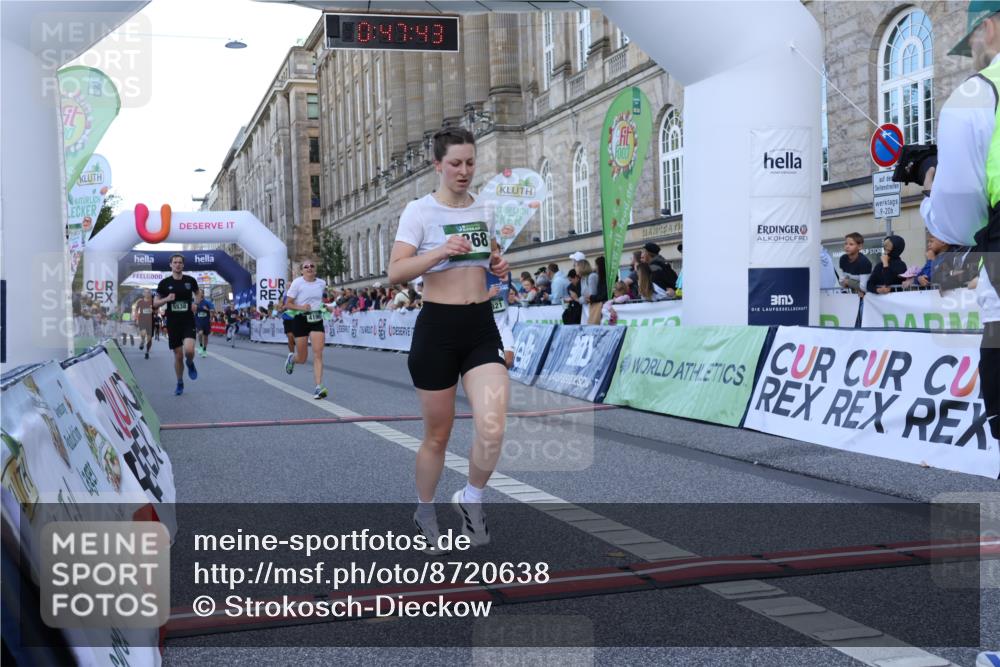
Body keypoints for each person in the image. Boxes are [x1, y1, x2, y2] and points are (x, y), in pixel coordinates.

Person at [388, 127, 509, 554]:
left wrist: (498, 264)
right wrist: (440, 251)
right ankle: (425, 511)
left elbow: (487, 257)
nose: (464, 171)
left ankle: (471, 499)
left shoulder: (484, 207)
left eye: (470, 162)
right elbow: (396, 272)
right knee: (437, 436)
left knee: (493, 425)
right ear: (437, 165)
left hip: (480, 324)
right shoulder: (418, 211)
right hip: (437, 328)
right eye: (455, 163)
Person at [921, 0, 1000, 441]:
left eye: (970, 40)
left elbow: (957, 216)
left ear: (986, 28)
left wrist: (929, 184)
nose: (971, 50)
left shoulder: (980, 91)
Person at [282, 259, 334, 399]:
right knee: (303, 358)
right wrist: (301, 307)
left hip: (316, 318)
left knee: (318, 354)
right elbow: (288, 304)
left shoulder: (321, 283)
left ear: (315, 269)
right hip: (300, 319)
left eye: (312, 265)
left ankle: (318, 387)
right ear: (302, 270)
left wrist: (326, 306)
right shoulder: (297, 283)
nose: (309, 268)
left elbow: (319, 300)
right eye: (306, 266)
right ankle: (293, 359)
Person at [153, 254, 199, 396]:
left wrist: (195, 303)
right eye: (175, 262)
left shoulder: (190, 281)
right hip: (173, 322)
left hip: (188, 320)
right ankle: (179, 382)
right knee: (178, 356)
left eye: (180, 262)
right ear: (170, 265)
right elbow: (155, 303)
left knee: (189, 351)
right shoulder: (164, 283)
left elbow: (198, 293)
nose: (178, 264)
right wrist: (167, 298)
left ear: (183, 265)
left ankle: (190, 363)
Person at [132, 289, 155, 359]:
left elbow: (157, 310)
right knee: (143, 333)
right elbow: (136, 310)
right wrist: (136, 318)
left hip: (151, 321)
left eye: (148, 292)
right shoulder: (140, 301)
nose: (147, 294)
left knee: (149, 338)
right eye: (145, 292)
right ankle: (142, 340)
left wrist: (154, 311)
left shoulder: (153, 301)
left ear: (150, 294)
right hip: (142, 320)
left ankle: (147, 351)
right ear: (143, 294)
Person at [587, 256, 608, 324]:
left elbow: (603, 295)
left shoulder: (605, 280)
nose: (595, 268)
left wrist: (591, 297)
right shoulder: (601, 278)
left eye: (596, 265)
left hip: (602, 307)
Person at [194, 292, 215, 358]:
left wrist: (208, 310)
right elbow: (192, 310)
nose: (198, 295)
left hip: (206, 321)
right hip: (198, 321)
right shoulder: (196, 302)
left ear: (202, 294)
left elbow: (213, 310)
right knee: (200, 333)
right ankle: (200, 346)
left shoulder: (207, 302)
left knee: (206, 337)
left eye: (200, 293)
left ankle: (204, 350)